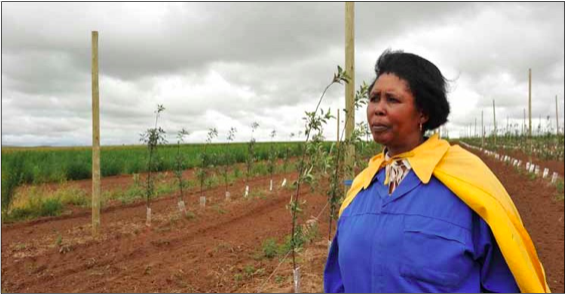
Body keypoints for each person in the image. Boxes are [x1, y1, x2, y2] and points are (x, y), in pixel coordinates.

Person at [323, 49, 550, 293]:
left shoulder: (468, 188)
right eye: (374, 98)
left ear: (423, 112)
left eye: (392, 99)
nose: (378, 108)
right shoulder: (360, 190)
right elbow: (338, 281)